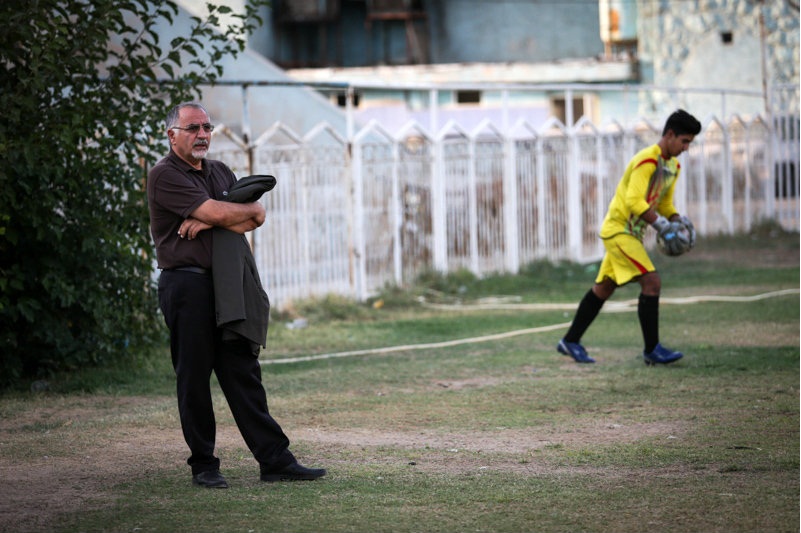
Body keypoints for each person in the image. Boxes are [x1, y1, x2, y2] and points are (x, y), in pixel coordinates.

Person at [147, 101, 326, 488]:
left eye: (207, 128)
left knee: (243, 371)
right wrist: (214, 213)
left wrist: (209, 216)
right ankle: (204, 466)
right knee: (194, 376)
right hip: (186, 285)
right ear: (172, 134)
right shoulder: (164, 175)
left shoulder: (219, 171)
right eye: (193, 128)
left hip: (227, 285)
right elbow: (225, 213)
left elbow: (257, 214)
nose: (202, 135)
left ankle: (275, 461)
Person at [557, 109, 702, 366]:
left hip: (632, 234)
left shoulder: (672, 166)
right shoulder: (647, 161)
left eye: (690, 142)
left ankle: (570, 341)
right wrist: (660, 226)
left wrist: (677, 220)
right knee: (652, 282)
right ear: (670, 135)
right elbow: (634, 201)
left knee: (603, 288)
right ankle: (652, 350)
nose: (686, 147)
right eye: (684, 141)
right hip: (619, 231)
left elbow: (664, 203)